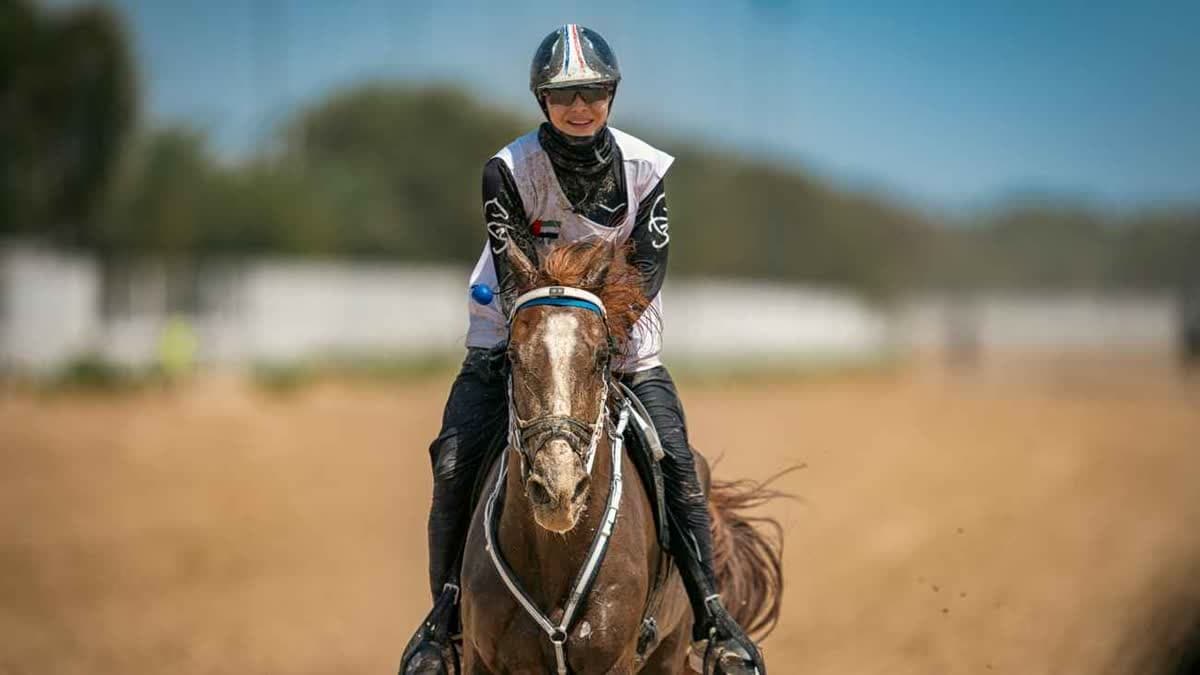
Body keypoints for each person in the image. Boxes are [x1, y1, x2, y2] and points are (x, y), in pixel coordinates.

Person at [400, 24, 766, 673]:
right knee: (455, 459)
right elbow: (514, 269)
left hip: (615, 332)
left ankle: (713, 617)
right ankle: (443, 624)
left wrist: (599, 332)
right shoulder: (506, 170)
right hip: (516, 329)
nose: (580, 105)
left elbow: (649, 266)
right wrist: (546, 327)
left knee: (679, 458)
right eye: (565, 93)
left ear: (611, 95)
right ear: (543, 100)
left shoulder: (646, 168)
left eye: (593, 92)